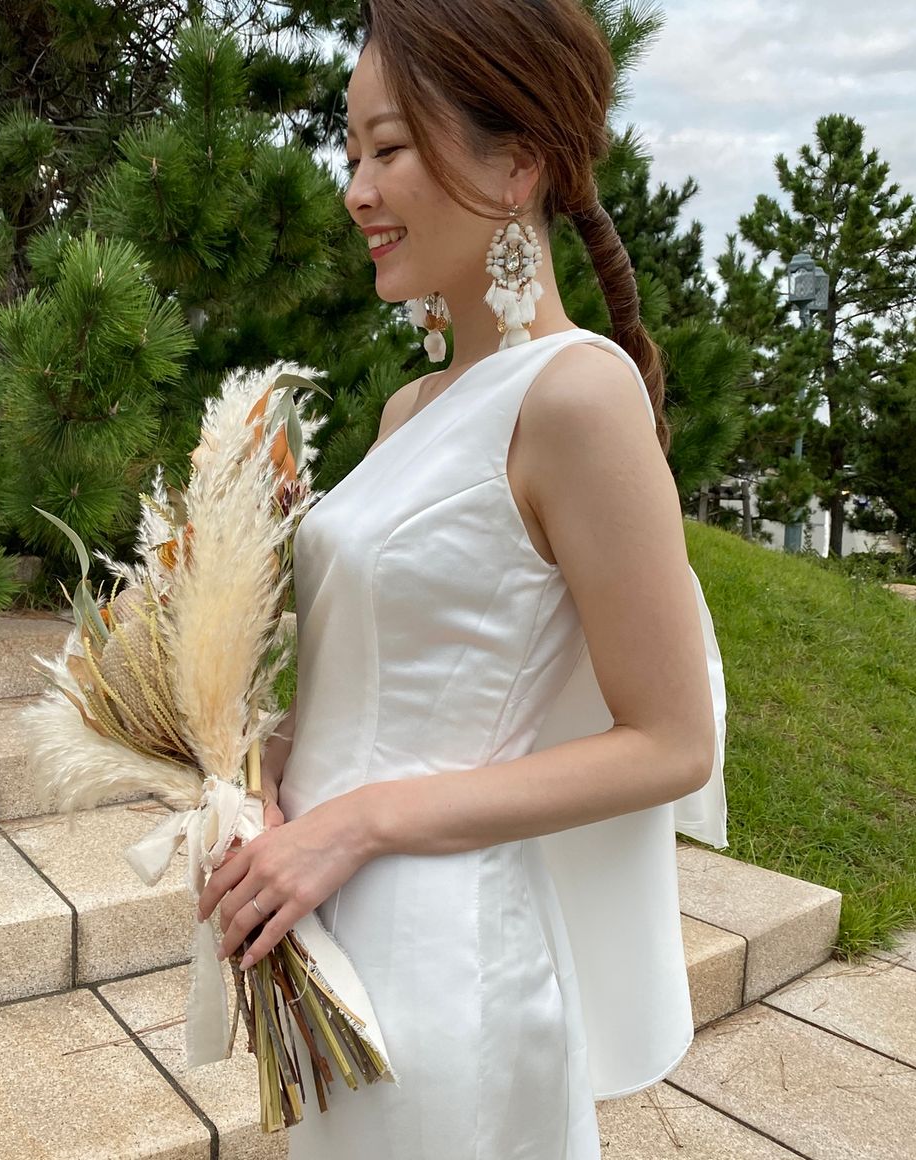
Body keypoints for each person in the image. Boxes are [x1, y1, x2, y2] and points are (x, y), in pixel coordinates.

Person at [196, 1, 728, 1156]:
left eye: (386, 148)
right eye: (350, 153)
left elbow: (670, 741)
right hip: (328, 938)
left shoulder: (575, 396)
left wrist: (359, 820)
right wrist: (263, 775)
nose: (355, 190)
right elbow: (371, 667)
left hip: (443, 956)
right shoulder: (410, 407)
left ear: (516, 165)